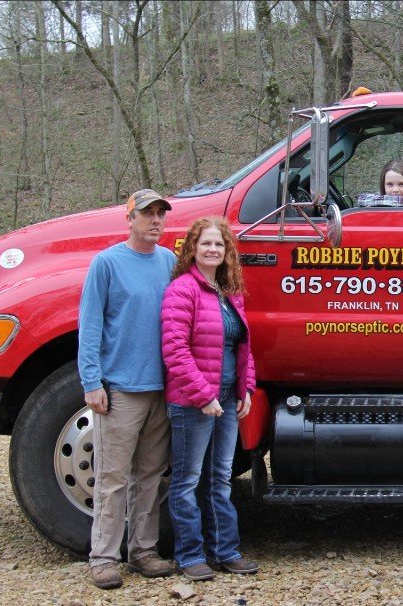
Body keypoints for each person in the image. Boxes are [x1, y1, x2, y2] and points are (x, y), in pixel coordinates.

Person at [78, 189, 176, 589]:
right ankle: (103, 556)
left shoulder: (169, 261)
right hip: (120, 389)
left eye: (160, 214)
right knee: (113, 477)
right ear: (129, 218)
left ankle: (143, 551)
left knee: (151, 475)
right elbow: (90, 326)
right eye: (147, 214)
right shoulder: (107, 263)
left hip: (161, 388)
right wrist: (91, 382)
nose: (155, 221)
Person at [161, 217, 258, 581]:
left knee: (220, 478)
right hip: (192, 402)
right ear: (192, 249)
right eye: (206, 244)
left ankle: (225, 551)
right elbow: (175, 351)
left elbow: (244, 347)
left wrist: (245, 389)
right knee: (187, 480)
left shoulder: (229, 291)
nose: (213, 250)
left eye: (219, 244)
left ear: (226, 251)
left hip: (226, 400)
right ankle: (189, 556)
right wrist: (203, 396)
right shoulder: (182, 290)